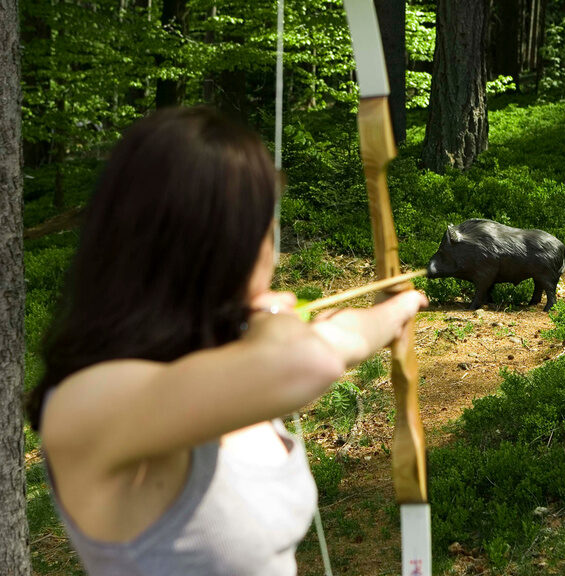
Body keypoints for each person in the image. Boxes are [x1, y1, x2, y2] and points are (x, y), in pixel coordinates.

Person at [26, 106, 427, 576]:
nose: (271, 248)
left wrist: (396, 310)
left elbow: (334, 339)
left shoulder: (228, 363)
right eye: (264, 227)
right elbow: (310, 361)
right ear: (220, 244)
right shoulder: (86, 401)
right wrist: (276, 318)